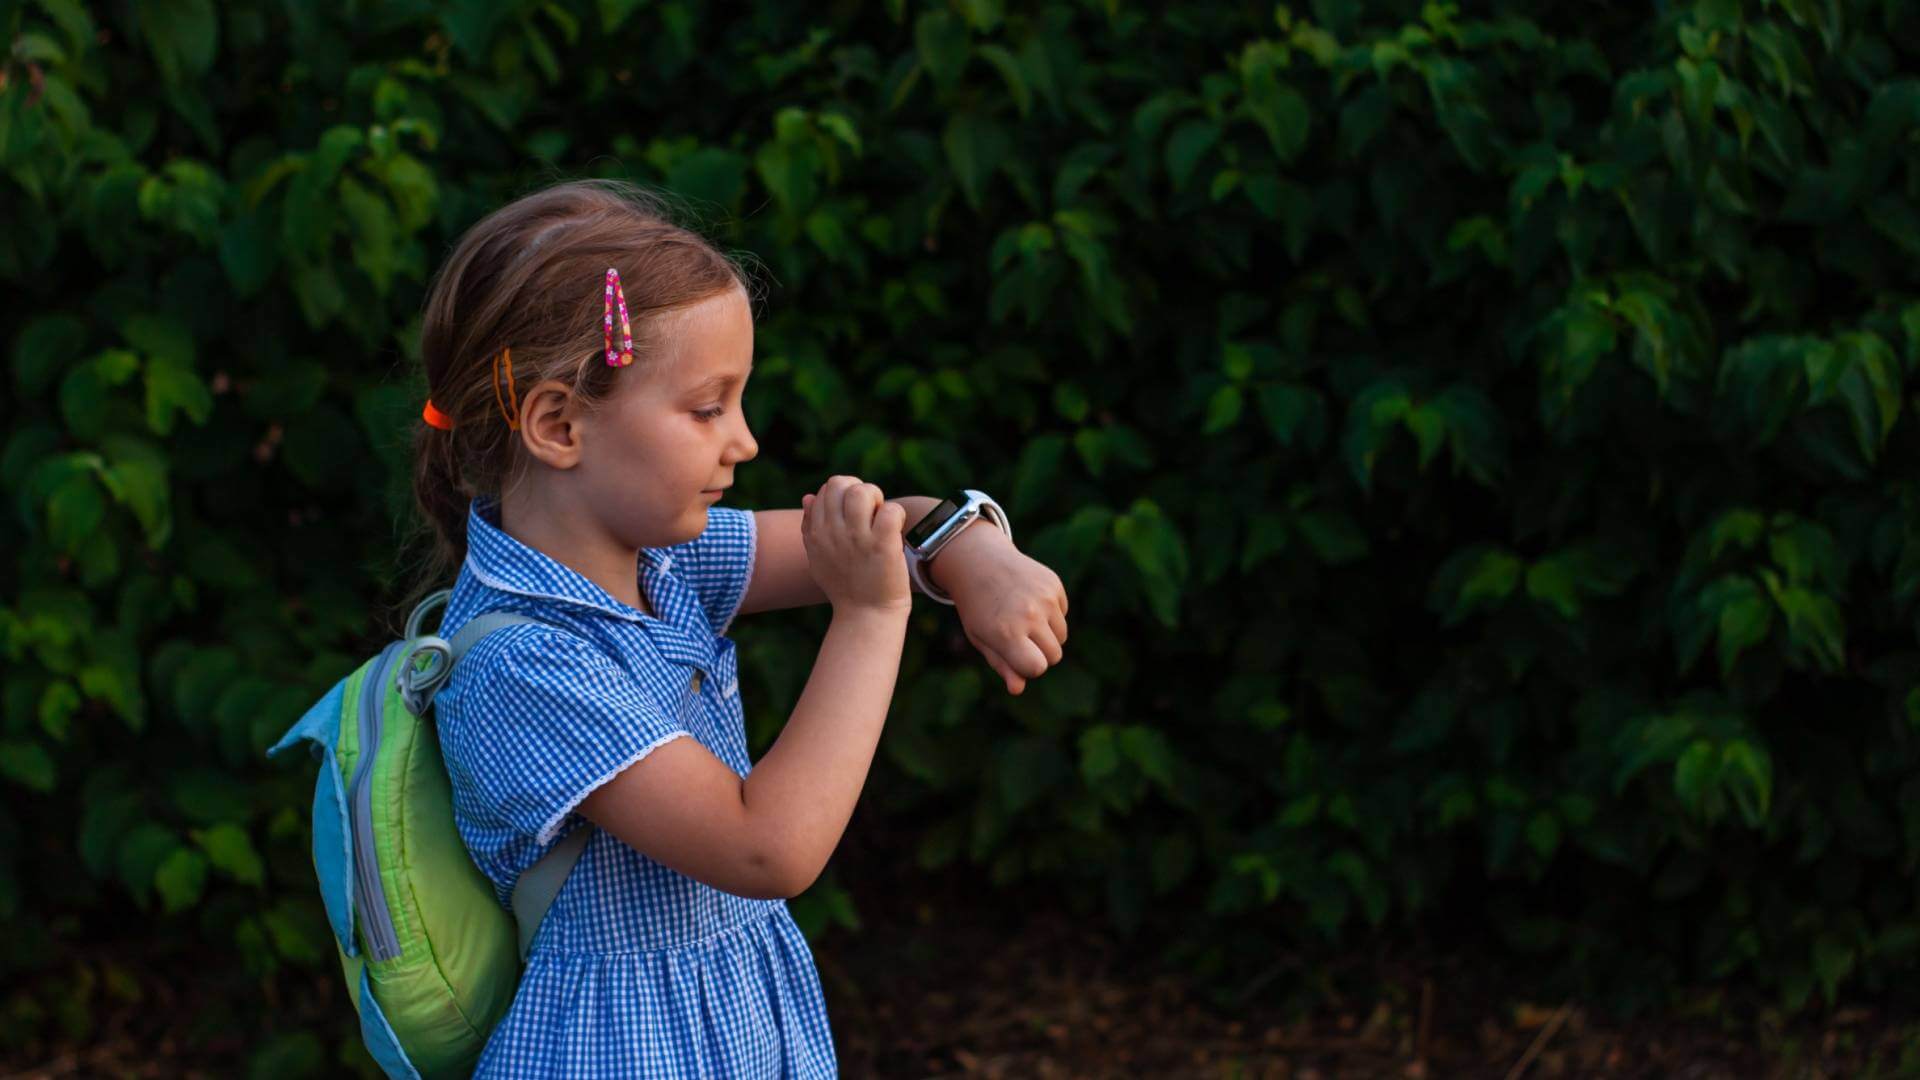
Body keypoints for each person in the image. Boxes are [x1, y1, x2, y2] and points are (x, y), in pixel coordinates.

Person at [405, 178, 1071, 1077]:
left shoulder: (662, 561)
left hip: (726, 1027)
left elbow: (879, 534)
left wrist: (974, 546)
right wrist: (872, 615)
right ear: (559, 425)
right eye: (707, 407)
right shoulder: (527, 664)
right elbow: (768, 848)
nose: (745, 441)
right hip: (621, 1054)